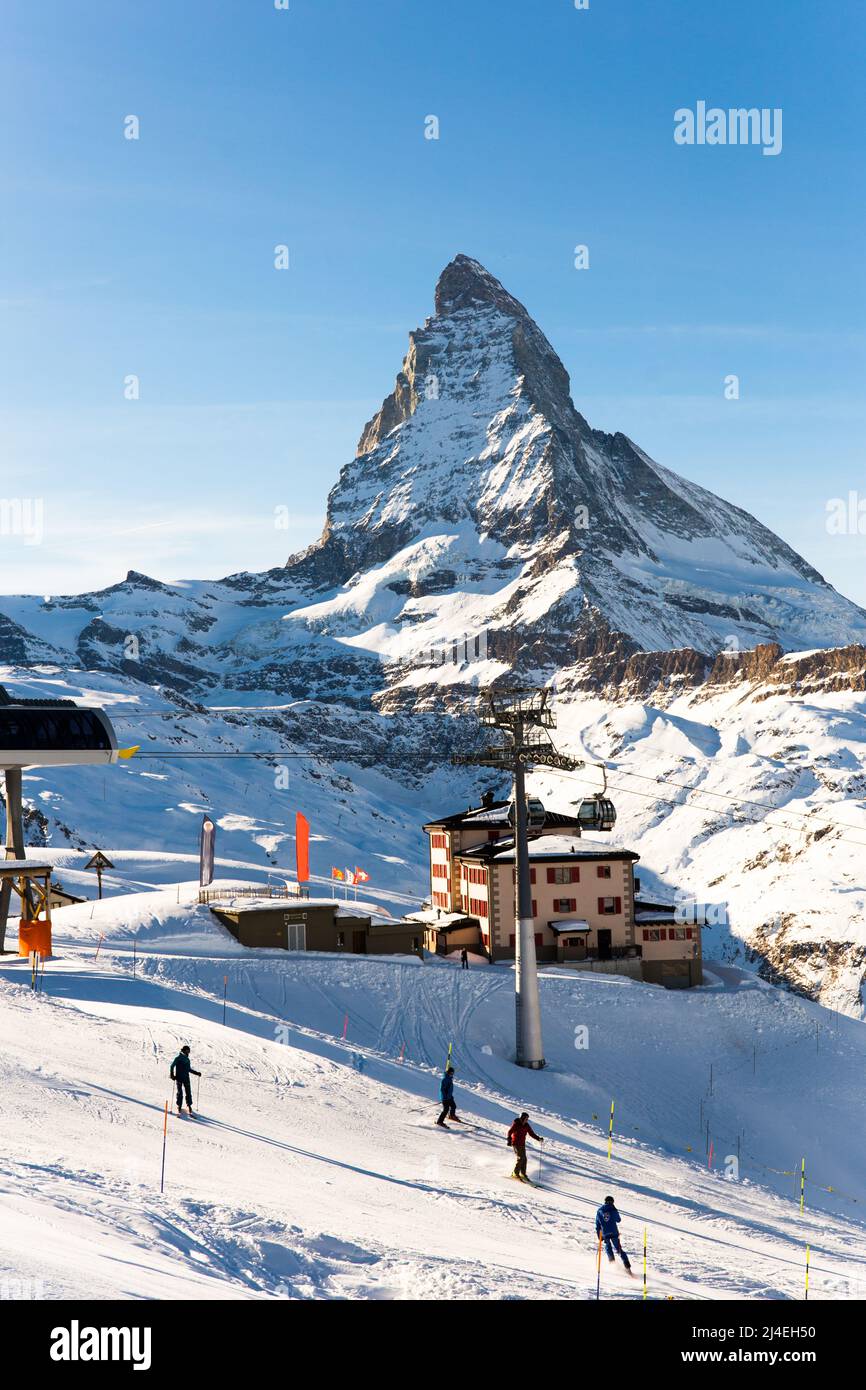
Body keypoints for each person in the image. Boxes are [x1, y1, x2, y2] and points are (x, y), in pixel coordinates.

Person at [595, 1194, 631, 1271]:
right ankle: (627, 1265)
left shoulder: (599, 1210)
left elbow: (597, 1224)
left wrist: (599, 1236)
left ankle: (612, 1264)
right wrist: (614, 1211)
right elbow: (618, 1220)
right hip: (614, 1232)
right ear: (611, 1202)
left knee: (608, 1247)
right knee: (618, 1248)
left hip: (605, 1233)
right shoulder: (613, 1209)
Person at [507, 1112, 543, 1181]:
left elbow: (531, 1133)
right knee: (521, 1158)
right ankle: (515, 1173)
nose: (527, 1120)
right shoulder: (516, 1124)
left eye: (527, 1119)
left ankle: (522, 1174)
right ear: (522, 1118)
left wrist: (538, 1138)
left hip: (522, 1144)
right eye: (526, 1118)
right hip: (516, 1143)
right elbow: (510, 1132)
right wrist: (509, 1139)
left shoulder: (526, 1125)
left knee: (524, 1159)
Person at [170, 1044, 201, 1116]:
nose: (188, 1053)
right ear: (183, 1051)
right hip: (179, 1078)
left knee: (188, 1092)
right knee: (180, 1092)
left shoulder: (187, 1059)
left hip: (186, 1078)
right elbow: (172, 1066)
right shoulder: (178, 1058)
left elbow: (188, 1069)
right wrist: (172, 1075)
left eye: (189, 1052)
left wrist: (196, 1073)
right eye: (187, 1051)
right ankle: (179, 1105)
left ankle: (189, 1105)